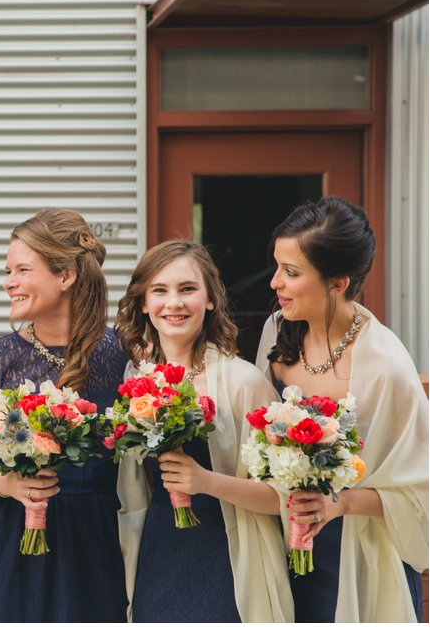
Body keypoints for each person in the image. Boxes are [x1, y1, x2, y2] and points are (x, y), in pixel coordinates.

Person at [255, 196, 428, 622]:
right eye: (277, 266)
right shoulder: (278, 329)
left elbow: (421, 492)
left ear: (338, 282)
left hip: (354, 554)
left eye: (291, 272)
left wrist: (341, 504)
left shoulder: (386, 367)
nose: (275, 282)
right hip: (280, 539)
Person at [114, 240, 293, 622]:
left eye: (188, 289)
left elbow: (283, 497)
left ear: (210, 299)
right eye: (159, 291)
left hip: (228, 553)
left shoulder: (245, 382)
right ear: (144, 303)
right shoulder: (133, 379)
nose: (173, 303)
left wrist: (206, 481)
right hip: (158, 547)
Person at [0, 208, 128, 622]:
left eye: (22, 269)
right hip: (15, 530)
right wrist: (8, 483)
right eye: (8, 271)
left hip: (99, 532)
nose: (9, 283)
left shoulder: (123, 353)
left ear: (65, 276)